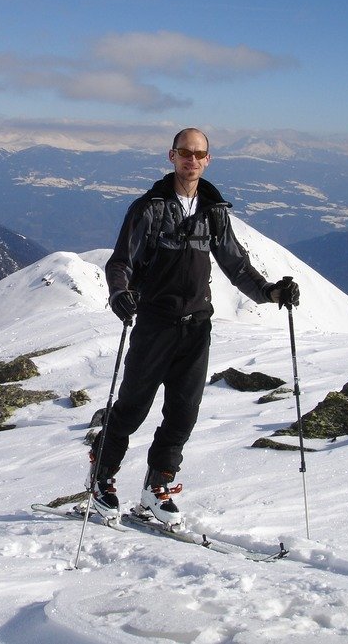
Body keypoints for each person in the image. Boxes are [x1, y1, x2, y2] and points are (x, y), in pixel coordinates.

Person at [89, 127, 299, 526]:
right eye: (184, 152)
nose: (191, 160)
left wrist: (272, 292)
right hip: (154, 322)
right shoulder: (148, 208)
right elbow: (121, 262)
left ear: (208, 160)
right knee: (132, 408)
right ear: (171, 156)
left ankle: (156, 488)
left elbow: (236, 265)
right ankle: (101, 478)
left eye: (198, 154)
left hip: (197, 326)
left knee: (183, 412)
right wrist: (120, 295)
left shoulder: (214, 211)